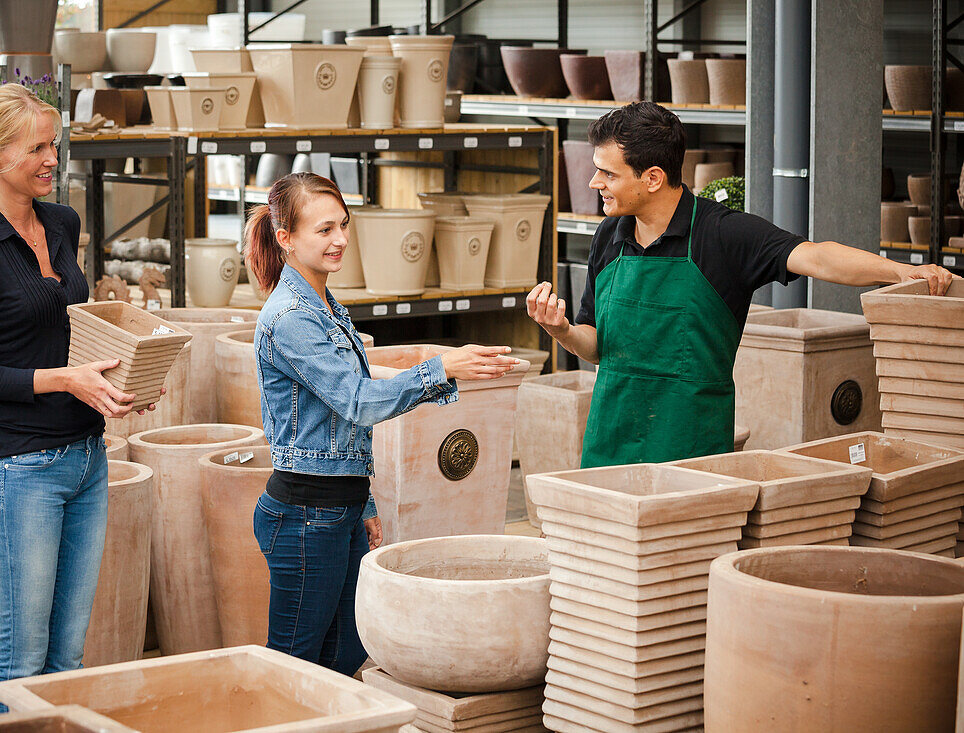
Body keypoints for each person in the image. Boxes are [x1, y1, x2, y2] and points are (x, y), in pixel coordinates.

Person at [528, 101, 957, 469]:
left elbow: (817, 256)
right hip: (610, 446)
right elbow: (597, 345)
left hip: (692, 456)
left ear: (653, 177)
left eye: (608, 174)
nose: (593, 182)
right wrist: (561, 330)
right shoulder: (610, 235)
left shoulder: (724, 236)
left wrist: (899, 272)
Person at [0, 83, 155, 711]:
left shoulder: (62, 224)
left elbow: (70, 328)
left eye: (54, 145)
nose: (52, 159)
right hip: (18, 468)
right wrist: (65, 381)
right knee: (25, 656)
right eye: (36, 148)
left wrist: (124, 380)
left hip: (86, 457)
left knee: (68, 658)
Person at [245, 172, 520, 675]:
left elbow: (335, 420)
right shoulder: (291, 317)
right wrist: (442, 367)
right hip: (306, 515)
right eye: (323, 229)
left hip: (336, 508)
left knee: (344, 656)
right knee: (292, 668)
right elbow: (357, 401)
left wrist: (363, 499)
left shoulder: (325, 305)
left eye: (343, 226)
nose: (340, 240)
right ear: (285, 238)